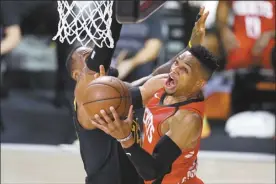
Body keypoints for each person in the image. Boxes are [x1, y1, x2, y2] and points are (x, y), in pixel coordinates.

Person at [70, 6, 208, 184]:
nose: (94, 59)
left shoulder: (121, 95)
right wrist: (116, 12)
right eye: (87, 58)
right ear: (76, 75)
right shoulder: (85, 103)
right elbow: (99, 58)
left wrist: (192, 48)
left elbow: (156, 77)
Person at [91, 44, 218, 184]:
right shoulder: (162, 84)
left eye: (184, 69)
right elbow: (128, 96)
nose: (175, 69)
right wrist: (104, 88)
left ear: (199, 83)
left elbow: (153, 172)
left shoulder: (187, 119)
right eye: (176, 62)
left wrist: (125, 138)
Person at [0, 1, 69, 107]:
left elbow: (13, 38)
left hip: (57, 13)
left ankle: (64, 95)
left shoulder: (6, 4)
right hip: (33, 12)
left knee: (65, 52)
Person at [215, 1, 275, 69]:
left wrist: (270, 34)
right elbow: (221, 13)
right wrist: (224, 30)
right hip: (238, 49)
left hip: (269, 51)